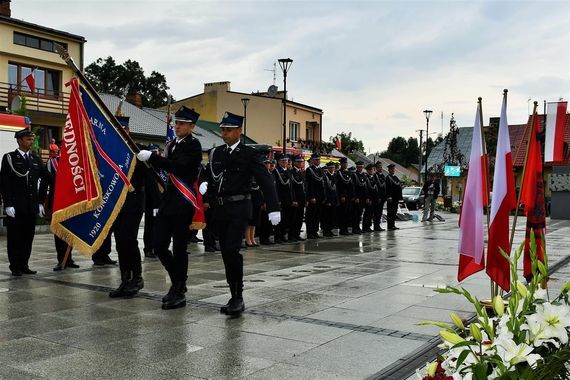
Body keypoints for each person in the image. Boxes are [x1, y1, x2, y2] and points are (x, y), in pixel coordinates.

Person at [199, 111, 280, 316]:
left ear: (239, 131)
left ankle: (238, 297)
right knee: (226, 253)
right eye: (222, 130)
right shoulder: (216, 153)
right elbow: (208, 174)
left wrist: (273, 207)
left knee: (232, 251)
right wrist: (203, 185)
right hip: (220, 209)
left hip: (239, 208)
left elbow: (265, 180)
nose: (224, 133)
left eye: (228, 130)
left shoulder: (249, 154)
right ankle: (233, 294)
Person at [137, 106, 202, 310]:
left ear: (191, 126)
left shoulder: (194, 145)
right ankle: (178, 282)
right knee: (159, 244)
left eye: (182, 123)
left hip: (183, 203)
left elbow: (178, 167)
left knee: (180, 248)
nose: (177, 126)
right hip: (168, 202)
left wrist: (153, 158)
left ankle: (178, 287)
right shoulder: (172, 144)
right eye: (176, 123)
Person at [1, 129, 51, 276]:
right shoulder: (9, 158)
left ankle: (24, 264)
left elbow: (47, 178)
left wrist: (41, 202)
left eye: (32, 139)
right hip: (16, 207)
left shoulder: (35, 159)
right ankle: (15, 266)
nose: (31, 142)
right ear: (19, 140)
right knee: (15, 238)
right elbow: (4, 183)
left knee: (28, 238)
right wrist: (8, 204)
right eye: (28, 139)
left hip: (31, 206)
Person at [45, 144, 79, 271]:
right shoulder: (53, 162)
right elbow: (48, 181)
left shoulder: (74, 162)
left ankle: (68, 258)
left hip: (71, 201)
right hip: (57, 201)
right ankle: (61, 260)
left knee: (70, 231)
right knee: (59, 232)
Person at [143, 144, 162, 258]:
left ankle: (156, 247)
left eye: (157, 152)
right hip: (152, 204)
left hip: (161, 203)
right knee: (150, 226)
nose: (156, 154)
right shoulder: (147, 168)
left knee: (159, 227)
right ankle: (149, 248)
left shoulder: (160, 168)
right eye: (153, 153)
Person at [273, 154, 294, 243]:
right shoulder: (276, 171)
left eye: (286, 161)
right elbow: (276, 187)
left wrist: (292, 199)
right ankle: (277, 237)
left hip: (288, 199)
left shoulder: (289, 172)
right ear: (279, 162)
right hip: (281, 198)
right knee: (279, 219)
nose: (285, 162)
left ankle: (283, 235)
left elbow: (291, 187)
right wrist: (278, 199)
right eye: (283, 161)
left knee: (286, 219)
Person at [305, 153, 325, 239]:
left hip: (320, 196)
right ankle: (310, 232)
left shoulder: (320, 170)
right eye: (316, 160)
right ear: (312, 160)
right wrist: (312, 196)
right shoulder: (309, 170)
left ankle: (315, 231)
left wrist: (323, 196)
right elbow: (310, 185)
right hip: (313, 196)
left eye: (319, 159)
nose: (318, 161)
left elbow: (322, 184)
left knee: (317, 215)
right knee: (311, 215)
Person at [289, 155, 306, 242]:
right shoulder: (291, 172)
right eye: (298, 162)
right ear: (294, 162)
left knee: (299, 218)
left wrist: (306, 199)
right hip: (296, 199)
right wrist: (294, 199)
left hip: (302, 198)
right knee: (293, 218)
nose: (300, 163)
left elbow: (304, 187)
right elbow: (292, 188)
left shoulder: (301, 172)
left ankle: (297, 234)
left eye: (301, 162)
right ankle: (291, 235)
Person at [335, 157, 353, 235]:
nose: (345, 164)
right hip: (343, 196)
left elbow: (351, 185)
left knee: (348, 213)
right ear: (341, 164)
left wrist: (352, 195)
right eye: (344, 163)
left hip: (348, 196)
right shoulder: (339, 173)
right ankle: (342, 229)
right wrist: (341, 195)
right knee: (342, 213)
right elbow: (339, 186)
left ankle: (346, 229)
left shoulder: (349, 172)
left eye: (346, 163)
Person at [321, 161, 338, 237]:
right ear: (328, 168)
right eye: (330, 168)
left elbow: (336, 189)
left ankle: (330, 230)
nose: (332, 169)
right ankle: (326, 231)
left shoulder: (335, 176)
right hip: (328, 200)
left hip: (334, 199)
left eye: (333, 167)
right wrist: (327, 200)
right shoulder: (325, 176)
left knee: (332, 216)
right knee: (326, 216)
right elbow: (325, 189)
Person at [385, 163, 403, 230]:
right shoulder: (388, 178)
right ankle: (389, 226)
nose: (393, 170)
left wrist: (400, 198)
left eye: (393, 169)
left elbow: (399, 188)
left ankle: (393, 225)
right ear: (389, 170)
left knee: (394, 212)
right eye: (391, 169)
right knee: (390, 212)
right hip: (391, 198)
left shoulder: (396, 178)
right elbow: (387, 188)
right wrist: (389, 196)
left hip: (396, 198)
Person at [351, 161, 367, 234]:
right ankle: (355, 228)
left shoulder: (364, 175)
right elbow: (353, 187)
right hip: (357, 198)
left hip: (363, 197)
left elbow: (365, 187)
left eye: (361, 167)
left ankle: (358, 227)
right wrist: (356, 197)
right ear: (357, 167)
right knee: (355, 214)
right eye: (359, 167)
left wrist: (367, 197)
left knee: (360, 214)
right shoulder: (354, 175)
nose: (360, 168)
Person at [362, 164, 378, 233]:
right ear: (367, 170)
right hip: (369, 198)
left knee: (371, 213)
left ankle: (368, 226)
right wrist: (368, 198)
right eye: (370, 170)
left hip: (374, 198)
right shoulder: (366, 178)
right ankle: (365, 227)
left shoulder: (373, 178)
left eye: (372, 169)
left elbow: (375, 189)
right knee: (367, 213)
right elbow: (366, 189)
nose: (371, 171)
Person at [374, 161, 387, 231]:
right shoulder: (375, 176)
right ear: (376, 168)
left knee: (380, 212)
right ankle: (376, 226)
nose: (381, 168)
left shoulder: (382, 175)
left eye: (381, 167)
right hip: (378, 197)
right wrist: (378, 197)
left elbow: (384, 187)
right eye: (379, 167)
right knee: (377, 212)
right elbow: (376, 188)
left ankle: (378, 225)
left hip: (383, 197)